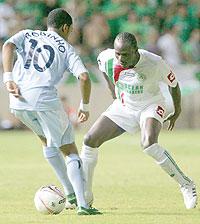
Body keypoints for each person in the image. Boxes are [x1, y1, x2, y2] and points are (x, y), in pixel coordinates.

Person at [80, 32, 197, 209]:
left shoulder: (154, 62)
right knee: (89, 140)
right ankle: (85, 199)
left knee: (149, 143)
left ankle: (186, 184)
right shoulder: (107, 57)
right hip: (124, 106)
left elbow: (173, 84)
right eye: (118, 54)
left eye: (125, 55)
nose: (120, 58)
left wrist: (177, 109)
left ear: (136, 51)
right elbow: (103, 68)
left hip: (150, 105)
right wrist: (113, 91)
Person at [2, 8, 101, 215]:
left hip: (18, 100)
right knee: (70, 150)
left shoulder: (27, 34)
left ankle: (69, 192)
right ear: (66, 28)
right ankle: (83, 204)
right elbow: (83, 77)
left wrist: (8, 77)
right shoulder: (66, 48)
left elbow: (8, 45)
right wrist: (85, 106)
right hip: (44, 98)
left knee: (46, 141)